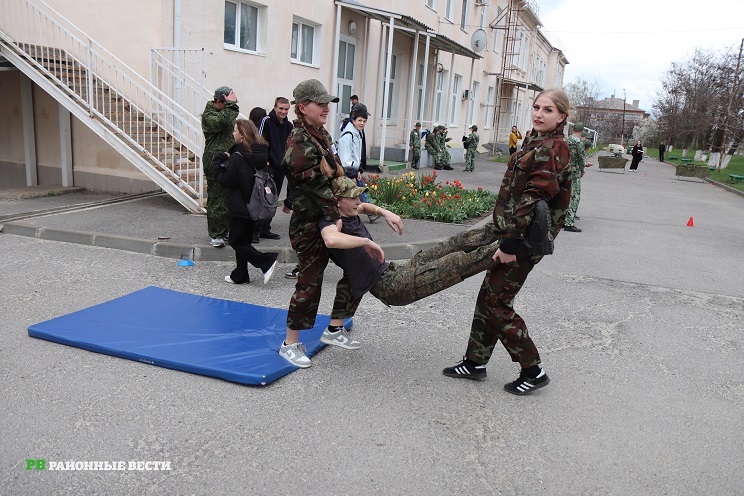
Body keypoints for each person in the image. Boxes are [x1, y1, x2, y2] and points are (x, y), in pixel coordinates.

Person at [442, 88, 573, 396]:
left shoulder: (554, 147)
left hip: (525, 239)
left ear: (561, 117)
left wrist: (511, 245)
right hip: (515, 233)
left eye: (548, 110)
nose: (539, 114)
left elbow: (533, 197)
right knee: (489, 296)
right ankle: (475, 362)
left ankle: (533, 370)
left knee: (497, 302)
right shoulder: (536, 141)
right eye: (537, 107)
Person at [319, 177, 501, 324]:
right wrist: (366, 241)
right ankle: (506, 249)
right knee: (455, 263)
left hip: (393, 271)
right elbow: (330, 239)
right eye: (352, 198)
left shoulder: (349, 210)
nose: (358, 201)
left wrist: (385, 212)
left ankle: (502, 228)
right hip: (392, 287)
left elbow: (364, 207)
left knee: (452, 243)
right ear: (337, 201)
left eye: (358, 196)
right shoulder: (332, 221)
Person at [278, 79, 347, 368]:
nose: (326, 108)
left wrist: (351, 198)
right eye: (320, 104)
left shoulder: (321, 135)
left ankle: (335, 328)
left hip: (329, 217)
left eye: (327, 104)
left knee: (358, 268)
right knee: (309, 283)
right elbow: (317, 186)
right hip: (310, 223)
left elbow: (335, 174)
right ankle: (289, 344)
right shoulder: (299, 142)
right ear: (303, 107)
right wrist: (336, 215)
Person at [212, 119, 279, 285]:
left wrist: (217, 164)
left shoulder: (239, 156)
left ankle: (266, 261)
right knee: (244, 240)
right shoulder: (260, 153)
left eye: (235, 131)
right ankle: (241, 275)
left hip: (241, 204)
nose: (233, 133)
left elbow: (227, 180)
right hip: (255, 203)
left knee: (235, 240)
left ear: (242, 135)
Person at [201, 86, 239, 247]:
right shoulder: (209, 115)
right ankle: (216, 234)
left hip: (229, 159)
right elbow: (223, 121)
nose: (230, 106)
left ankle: (226, 229)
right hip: (215, 161)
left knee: (230, 198)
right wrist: (232, 105)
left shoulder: (225, 112)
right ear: (218, 101)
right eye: (227, 103)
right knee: (217, 200)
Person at [256, 97, 293, 243]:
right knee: (263, 198)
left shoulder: (289, 126)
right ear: (275, 107)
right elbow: (259, 142)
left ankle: (265, 228)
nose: (283, 112)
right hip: (267, 167)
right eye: (281, 108)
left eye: (286, 109)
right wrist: (264, 163)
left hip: (281, 167)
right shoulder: (265, 121)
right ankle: (255, 230)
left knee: (273, 200)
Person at [338, 104, 379, 224]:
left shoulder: (357, 133)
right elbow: (345, 158)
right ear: (353, 120)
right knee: (355, 192)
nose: (362, 123)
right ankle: (368, 212)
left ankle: (367, 212)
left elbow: (357, 154)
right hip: (348, 170)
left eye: (364, 121)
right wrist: (353, 173)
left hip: (354, 169)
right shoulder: (348, 135)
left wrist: (359, 169)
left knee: (357, 191)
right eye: (360, 120)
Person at [563, 122, 587, 233]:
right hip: (575, 173)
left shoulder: (566, 140)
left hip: (565, 172)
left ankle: (562, 219)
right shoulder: (579, 143)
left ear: (572, 129)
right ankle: (569, 223)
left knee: (564, 196)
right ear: (581, 131)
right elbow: (582, 160)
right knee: (574, 197)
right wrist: (583, 169)